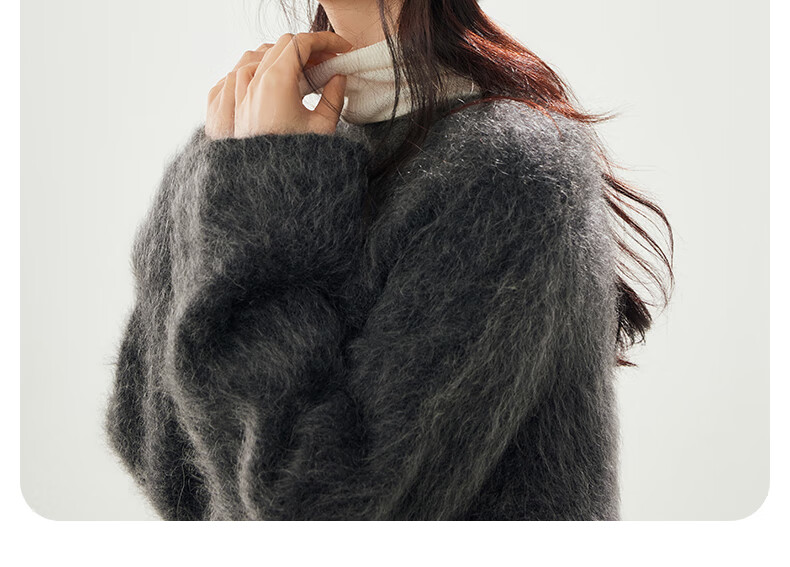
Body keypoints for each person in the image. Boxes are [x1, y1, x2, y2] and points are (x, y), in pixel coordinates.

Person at [103, 0, 674, 521]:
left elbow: (318, 514)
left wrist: (254, 188)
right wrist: (218, 174)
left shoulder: (511, 167)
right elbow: (158, 453)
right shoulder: (259, 145)